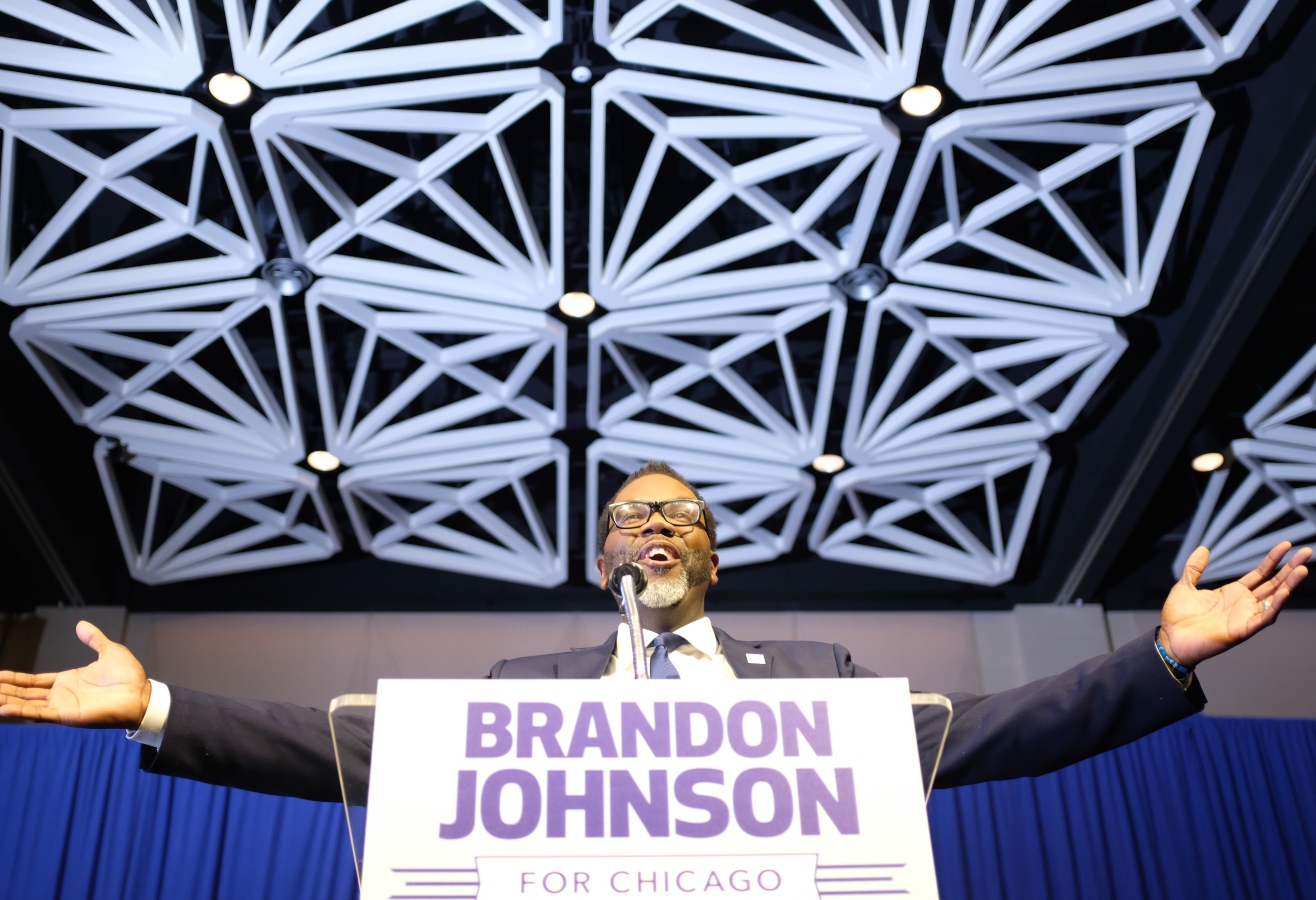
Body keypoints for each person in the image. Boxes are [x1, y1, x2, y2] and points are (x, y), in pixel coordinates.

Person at [0, 462, 1309, 805]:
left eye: (682, 515)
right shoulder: (526, 688)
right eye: (634, 517)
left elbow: (999, 730)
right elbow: (357, 750)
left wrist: (1164, 656)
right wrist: (160, 705)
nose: (659, 528)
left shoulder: (823, 681)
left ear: (714, 555)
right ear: (605, 557)